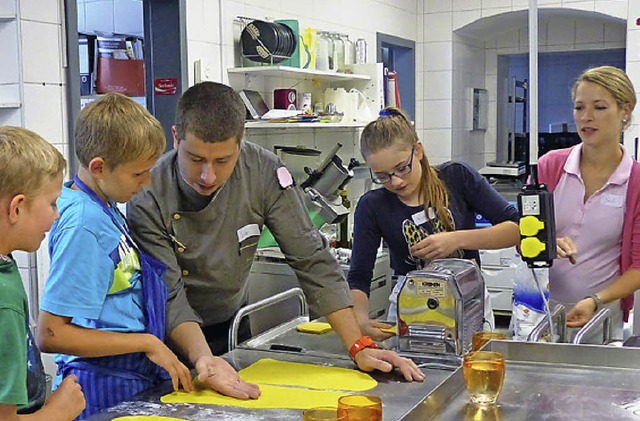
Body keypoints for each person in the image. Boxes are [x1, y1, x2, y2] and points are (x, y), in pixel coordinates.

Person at [127, 82, 423, 387]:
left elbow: (311, 259)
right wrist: (204, 358)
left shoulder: (264, 172)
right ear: (176, 138)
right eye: (196, 159)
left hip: (231, 325)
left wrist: (358, 345)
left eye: (223, 160)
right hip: (169, 338)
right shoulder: (148, 193)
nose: (208, 176)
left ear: (241, 144)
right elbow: (169, 293)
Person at [37, 93, 192, 420]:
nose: (147, 182)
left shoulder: (101, 206)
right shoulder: (85, 224)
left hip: (126, 375)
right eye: (138, 174)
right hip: (100, 385)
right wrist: (147, 343)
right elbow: (51, 333)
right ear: (99, 167)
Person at [348, 107, 520, 341]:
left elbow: (515, 228)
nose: (396, 181)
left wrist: (456, 239)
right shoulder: (372, 205)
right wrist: (360, 320)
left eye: (401, 168)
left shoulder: (457, 178)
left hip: (467, 301)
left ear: (417, 151)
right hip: (410, 307)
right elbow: (359, 275)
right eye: (383, 176)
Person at [537, 65, 640, 340]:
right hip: (540, 312)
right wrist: (545, 242)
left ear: (625, 111)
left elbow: (638, 267)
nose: (587, 117)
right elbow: (522, 233)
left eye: (599, 107)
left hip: (600, 314)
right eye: (579, 107)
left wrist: (595, 300)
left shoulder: (636, 181)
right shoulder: (551, 166)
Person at [0, 126, 86, 421]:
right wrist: (56, 413)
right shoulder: (3, 297)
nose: (57, 214)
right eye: (52, 203)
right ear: (16, 208)